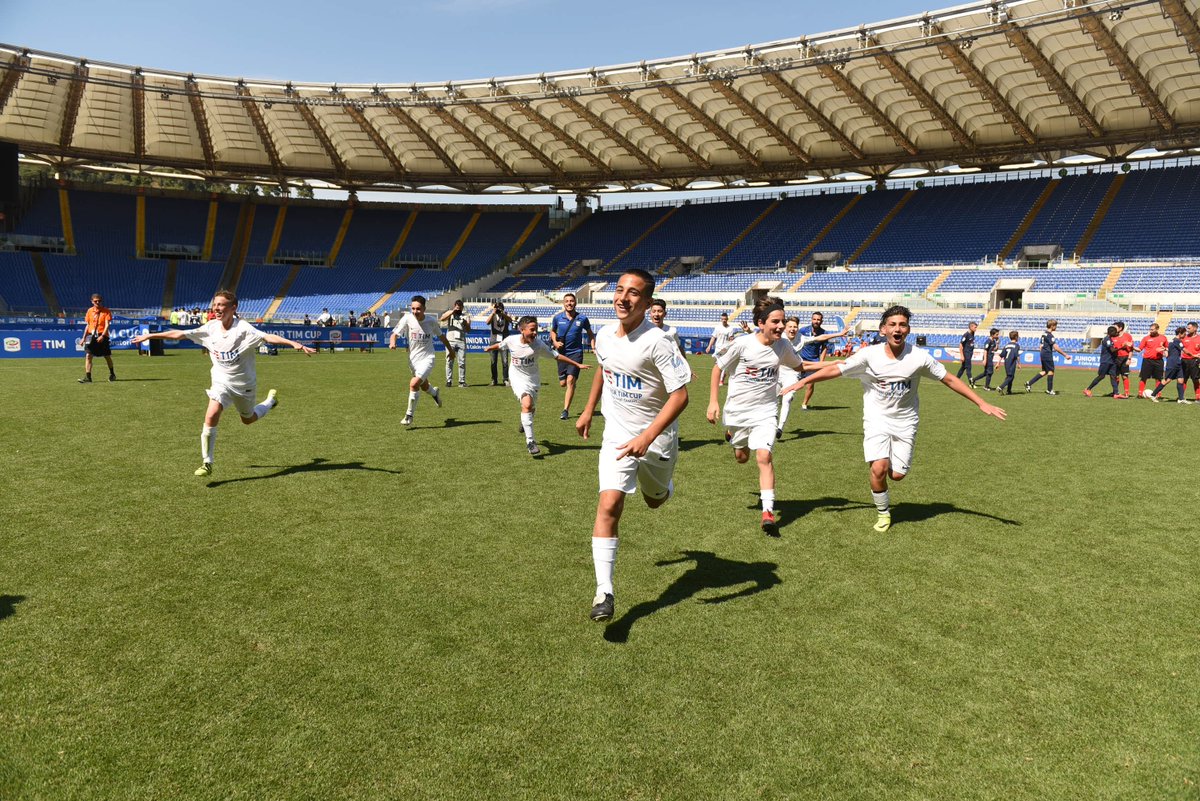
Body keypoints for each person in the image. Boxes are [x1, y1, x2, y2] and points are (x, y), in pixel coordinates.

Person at [779, 305, 1006, 533]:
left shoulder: (919, 357)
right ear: (883, 330)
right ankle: (883, 513)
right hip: (876, 420)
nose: (898, 329)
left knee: (896, 475)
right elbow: (836, 370)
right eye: (893, 324)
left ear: (908, 330)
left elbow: (949, 379)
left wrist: (981, 402)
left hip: (906, 422)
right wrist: (802, 381)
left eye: (902, 325)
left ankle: (891, 470)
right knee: (879, 468)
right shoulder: (869, 355)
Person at [576, 269, 691, 623]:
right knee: (609, 502)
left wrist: (648, 436)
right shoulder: (605, 335)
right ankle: (604, 592)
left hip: (657, 439)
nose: (624, 298)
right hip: (617, 434)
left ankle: (663, 488)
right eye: (620, 290)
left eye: (634, 293)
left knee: (655, 502)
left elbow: (681, 396)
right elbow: (603, 369)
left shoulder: (658, 341)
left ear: (646, 302)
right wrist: (588, 409)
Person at [131, 290, 315, 476]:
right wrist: (150, 336)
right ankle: (207, 462)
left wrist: (294, 344)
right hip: (221, 382)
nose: (216, 308)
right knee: (211, 416)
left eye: (221, 305)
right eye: (215, 304)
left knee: (248, 420)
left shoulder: (243, 328)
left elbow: (267, 337)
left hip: (244, 385)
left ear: (233, 308)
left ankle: (269, 402)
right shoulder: (210, 327)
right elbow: (180, 334)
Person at [708, 297, 803, 536]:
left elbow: (801, 366)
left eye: (782, 321)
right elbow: (718, 367)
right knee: (741, 457)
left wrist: (838, 366)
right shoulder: (742, 344)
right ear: (761, 323)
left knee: (764, 456)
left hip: (766, 412)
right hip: (738, 412)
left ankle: (768, 513)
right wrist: (713, 401)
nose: (781, 326)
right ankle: (732, 436)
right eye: (776, 321)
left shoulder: (783, 346)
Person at [485, 315, 589, 456]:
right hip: (516, 377)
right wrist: (490, 348)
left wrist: (577, 364)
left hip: (533, 379)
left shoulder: (538, 344)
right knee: (527, 404)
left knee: (530, 408)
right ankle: (530, 442)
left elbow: (556, 356)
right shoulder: (511, 340)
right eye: (532, 330)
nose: (535, 333)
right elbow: (501, 345)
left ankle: (525, 421)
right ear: (522, 330)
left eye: (536, 330)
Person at [776, 316, 849, 439]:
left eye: (795, 327)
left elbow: (821, 337)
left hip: (793, 372)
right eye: (790, 327)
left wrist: (839, 334)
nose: (793, 329)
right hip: (777, 371)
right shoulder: (779, 337)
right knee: (772, 400)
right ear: (785, 328)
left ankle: (780, 428)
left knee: (787, 398)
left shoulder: (801, 338)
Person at [389, 295, 455, 426]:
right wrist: (392, 343)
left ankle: (409, 416)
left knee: (414, 384)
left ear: (424, 308)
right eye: (413, 308)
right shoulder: (407, 318)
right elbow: (394, 334)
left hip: (428, 358)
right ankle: (435, 393)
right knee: (423, 386)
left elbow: (442, 337)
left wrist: (451, 351)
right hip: (413, 360)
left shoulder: (431, 321)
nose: (415, 311)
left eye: (418, 309)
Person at [550, 293, 595, 420]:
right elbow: (553, 331)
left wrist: (593, 347)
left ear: (575, 303)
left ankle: (565, 410)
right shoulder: (557, 318)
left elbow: (591, 334)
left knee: (570, 381)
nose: (569, 303)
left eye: (571, 301)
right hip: (561, 354)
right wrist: (555, 342)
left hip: (576, 353)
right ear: (563, 304)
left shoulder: (583, 318)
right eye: (567, 301)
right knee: (563, 383)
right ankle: (572, 383)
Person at [797, 311, 840, 410]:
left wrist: (821, 362)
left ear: (821, 321)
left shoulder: (824, 333)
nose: (816, 321)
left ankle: (804, 404)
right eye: (814, 319)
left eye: (818, 319)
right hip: (801, 360)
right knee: (793, 381)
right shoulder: (803, 330)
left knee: (810, 384)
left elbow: (824, 348)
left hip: (814, 361)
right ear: (811, 320)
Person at [1025, 319, 1071, 394]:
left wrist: (1042, 354)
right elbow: (1055, 347)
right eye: (1055, 326)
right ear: (1052, 326)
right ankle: (1049, 390)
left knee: (1044, 371)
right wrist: (1065, 355)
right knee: (1051, 371)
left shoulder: (1044, 334)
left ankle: (1029, 383)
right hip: (1047, 354)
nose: (1056, 327)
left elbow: (1040, 346)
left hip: (1043, 353)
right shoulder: (1050, 335)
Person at [78, 293, 116, 383]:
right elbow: (88, 325)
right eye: (95, 301)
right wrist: (83, 338)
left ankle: (112, 374)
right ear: (92, 301)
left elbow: (107, 325)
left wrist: (102, 335)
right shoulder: (89, 311)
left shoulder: (106, 311)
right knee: (88, 355)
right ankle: (88, 377)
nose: (98, 302)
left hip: (102, 335)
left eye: (99, 301)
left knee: (107, 356)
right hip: (91, 336)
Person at [1150, 326, 1189, 403]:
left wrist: (1164, 349)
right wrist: (1195, 355)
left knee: (1181, 380)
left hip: (1178, 363)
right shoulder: (1177, 341)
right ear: (1180, 334)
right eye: (1184, 333)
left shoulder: (1173, 342)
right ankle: (1153, 395)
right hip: (1173, 364)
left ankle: (1181, 399)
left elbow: (1168, 351)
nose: (1185, 335)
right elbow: (1185, 351)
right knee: (1167, 380)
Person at [439, 299, 471, 387]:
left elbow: (468, 330)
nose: (458, 310)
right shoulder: (450, 313)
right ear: (454, 306)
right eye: (457, 308)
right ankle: (449, 380)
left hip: (461, 340)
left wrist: (465, 323)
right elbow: (442, 319)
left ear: (462, 308)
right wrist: (452, 312)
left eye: (460, 308)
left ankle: (462, 381)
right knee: (449, 360)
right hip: (450, 340)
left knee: (462, 362)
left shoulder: (466, 316)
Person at [1083, 325, 1120, 398]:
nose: (1116, 333)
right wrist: (1122, 346)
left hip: (1111, 361)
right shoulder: (1107, 339)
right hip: (1106, 361)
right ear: (1111, 332)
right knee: (1101, 376)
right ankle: (1088, 389)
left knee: (1113, 376)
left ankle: (1116, 393)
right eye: (1115, 332)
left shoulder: (1110, 339)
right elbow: (1112, 350)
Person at [1134, 322, 1169, 398]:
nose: (1151, 331)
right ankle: (1140, 394)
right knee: (1144, 377)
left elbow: (1167, 348)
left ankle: (1158, 394)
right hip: (1147, 360)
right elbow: (1139, 349)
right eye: (1150, 330)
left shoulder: (1163, 338)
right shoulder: (1146, 338)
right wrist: (1132, 347)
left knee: (1158, 378)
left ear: (1157, 329)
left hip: (1159, 361)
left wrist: (1165, 351)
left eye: (1152, 330)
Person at [486, 301, 512, 386]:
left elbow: (510, 320)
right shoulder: (493, 315)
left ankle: (505, 379)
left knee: (505, 361)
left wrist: (503, 314)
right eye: (497, 308)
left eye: (500, 308)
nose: (498, 310)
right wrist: (493, 313)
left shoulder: (506, 314)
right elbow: (487, 322)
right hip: (494, 340)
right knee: (493, 361)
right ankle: (494, 380)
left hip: (504, 341)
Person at [1112, 321, 1134, 398]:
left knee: (1125, 376)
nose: (1114, 328)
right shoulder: (1113, 336)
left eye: (1115, 327)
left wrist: (1129, 358)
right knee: (1115, 376)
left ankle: (1126, 393)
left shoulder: (1128, 336)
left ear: (1120, 328)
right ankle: (1116, 392)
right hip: (1115, 359)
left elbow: (1131, 349)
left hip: (1124, 358)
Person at [1182, 321, 1200, 402]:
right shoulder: (1184, 337)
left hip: (1195, 361)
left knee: (1195, 379)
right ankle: (1181, 397)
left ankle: (1198, 397)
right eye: (1187, 328)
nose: (1187, 329)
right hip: (1184, 361)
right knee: (1183, 379)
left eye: (1189, 328)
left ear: (1195, 328)